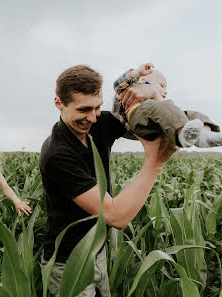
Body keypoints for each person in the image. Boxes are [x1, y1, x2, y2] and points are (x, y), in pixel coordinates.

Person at [39, 65, 178, 297]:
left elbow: (149, 127)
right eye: (83, 110)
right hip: (69, 264)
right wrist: (154, 163)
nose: (92, 118)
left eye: (98, 107)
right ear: (58, 103)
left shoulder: (98, 123)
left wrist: (151, 94)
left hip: (97, 251)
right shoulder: (57, 154)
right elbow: (115, 216)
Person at [112, 62, 222, 148]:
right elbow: (118, 85)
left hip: (153, 124)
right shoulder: (136, 86)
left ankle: (204, 135)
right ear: (143, 80)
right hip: (137, 120)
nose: (165, 91)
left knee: (191, 114)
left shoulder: (158, 106)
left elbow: (164, 111)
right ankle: (182, 134)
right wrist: (137, 72)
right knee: (167, 106)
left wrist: (155, 93)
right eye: (162, 85)